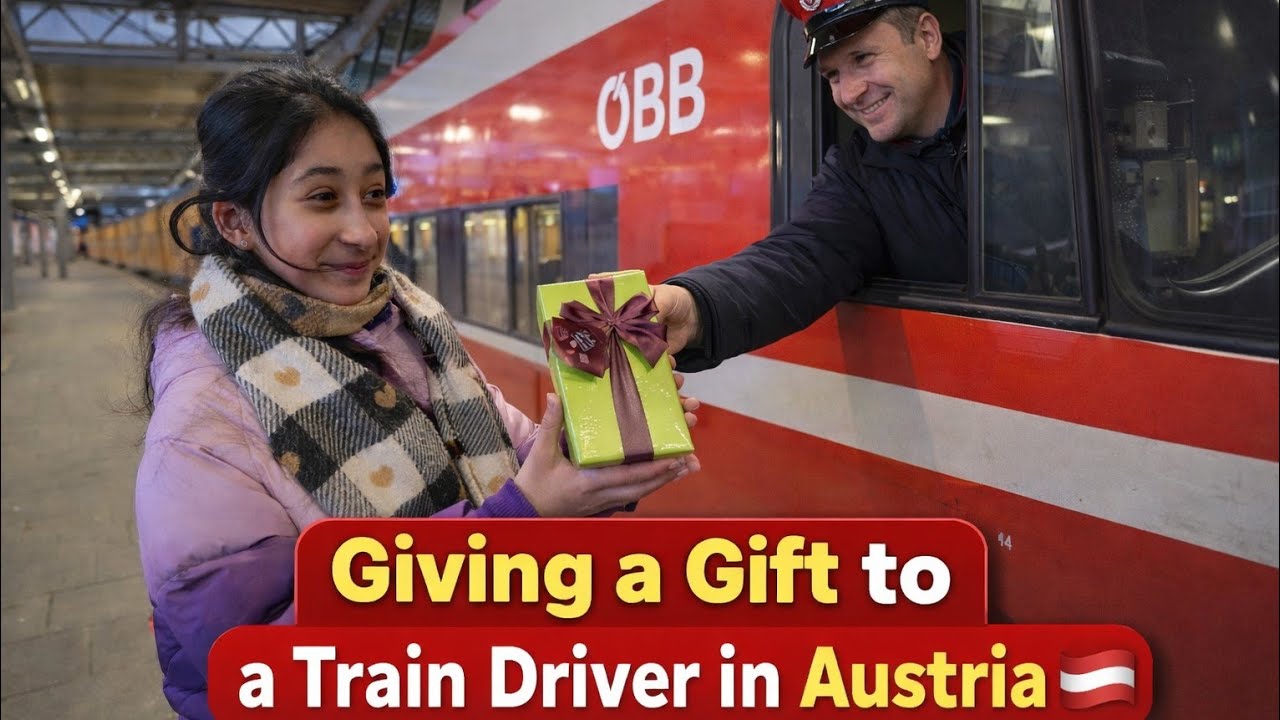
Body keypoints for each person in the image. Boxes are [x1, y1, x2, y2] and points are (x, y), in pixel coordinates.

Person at [133, 62, 701, 720]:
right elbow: (258, 662)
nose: (364, 231)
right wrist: (517, 523)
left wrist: (596, 451)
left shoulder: (409, 325)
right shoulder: (202, 421)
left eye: (374, 194)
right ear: (234, 221)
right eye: (323, 198)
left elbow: (522, 461)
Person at [656, 0, 966, 371]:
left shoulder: (1027, 101)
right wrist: (697, 307)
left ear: (927, 37)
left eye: (863, 58)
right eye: (833, 76)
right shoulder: (858, 173)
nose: (848, 93)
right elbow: (803, 254)